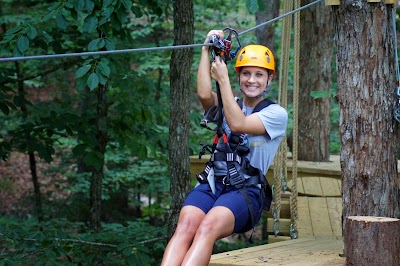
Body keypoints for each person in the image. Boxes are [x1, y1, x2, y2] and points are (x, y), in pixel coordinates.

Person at [161, 30, 288, 266]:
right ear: (239, 76)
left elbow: (239, 123)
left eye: (259, 75)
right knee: (186, 224)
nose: (252, 80)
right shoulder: (231, 103)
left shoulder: (276, 114)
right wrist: (206, 49)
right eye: (246, 74)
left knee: (207, 226)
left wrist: (223, 80)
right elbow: (203, 94)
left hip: (245, 191)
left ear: (269, 79)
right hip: (214, 181)